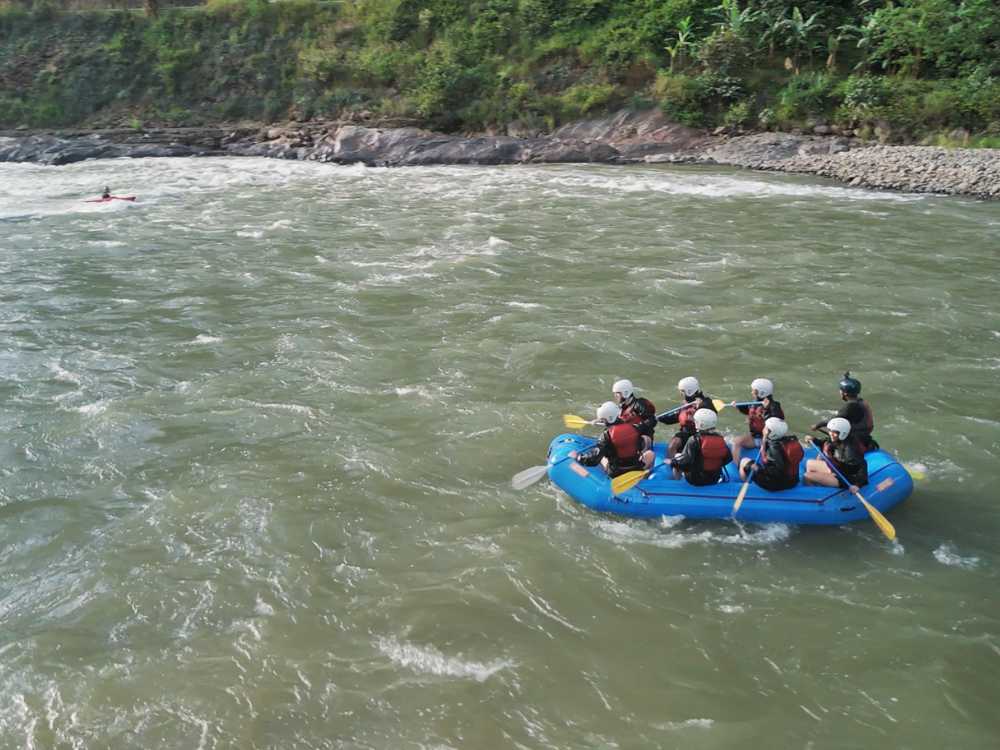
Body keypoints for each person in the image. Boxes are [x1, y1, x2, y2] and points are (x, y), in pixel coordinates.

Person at [577, 401, 654, 478]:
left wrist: (579, 457)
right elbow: (641, 445)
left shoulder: (606, 435)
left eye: (602, 420)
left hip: (616, 473)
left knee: (603, 457)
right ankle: (644, 479)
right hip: (635, 469)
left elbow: (593, 460)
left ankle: (606, 480)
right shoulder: (634, 428)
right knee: (650, 453)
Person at [811, 371, 878, 452]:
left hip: (857, 435)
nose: (839, 392)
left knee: (828, 445)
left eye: (840, 390)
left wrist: (818, 425)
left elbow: (835, 421)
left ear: (845, 393)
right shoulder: (860, 401)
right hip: (864, 433)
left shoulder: (850, 405)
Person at [669, 408, 732, 486]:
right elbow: (729, 458)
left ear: (701, 424)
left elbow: (685, 463)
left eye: (696, 421)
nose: (694, 422)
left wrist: (672, 462)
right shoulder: (720, 438)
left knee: (677, 457)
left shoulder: (694, 440)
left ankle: (677, 484)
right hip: (714, 479)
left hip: (695, 480)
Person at [658, 376, 717, 458]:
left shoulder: (706, 403)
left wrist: (698, 407)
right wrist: (660, 418)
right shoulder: (688, 402)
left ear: (690, 391)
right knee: (673, 445)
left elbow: (712, 416)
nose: (681, 394)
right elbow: (677, 417)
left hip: (701, 434)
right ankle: (671, 465)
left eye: (682, 391)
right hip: (686, 433)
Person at [738, 417, 803, 491]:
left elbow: (764, 460)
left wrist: (764, 437)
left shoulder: (774, 449)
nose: (764, 428)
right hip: (793, 481)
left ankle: (747, 487)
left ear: (770, 432)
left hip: (775, 484)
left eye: (765, 427)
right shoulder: (792, 440)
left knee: (744, 461)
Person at [803, 417, 868, 490]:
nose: (831, 434)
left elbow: (863, 465)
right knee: (809, 463)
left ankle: (815, 494)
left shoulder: (850, 450)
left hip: (844, 478)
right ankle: (818, 485)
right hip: (837, 469)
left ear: (843, 433)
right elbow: (826, 443)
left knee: (807, 476)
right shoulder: (837, 438)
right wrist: (813, 440)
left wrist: (857, 485)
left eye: (835, 432)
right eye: (830, 430)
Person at [731, 377, 785, 464]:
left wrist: (767, 408)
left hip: (768, 441)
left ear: (761, 392)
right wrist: (738, 406)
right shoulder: (756, 402)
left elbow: (777, 420)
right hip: (756, 437)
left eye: (754, 391)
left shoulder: (774, 406)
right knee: (736, 441)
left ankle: (737, 467)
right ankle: (737, 465)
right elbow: (750, 410)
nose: (752, 392)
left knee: (737, 442)